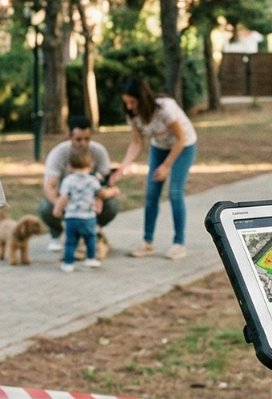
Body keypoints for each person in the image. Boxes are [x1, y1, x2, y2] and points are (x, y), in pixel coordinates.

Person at [110, 77, 197, 259]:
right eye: (126, 103)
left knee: (175, 192)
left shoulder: (165, 108)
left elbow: (180, 138)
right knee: (151, 194)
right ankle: (147, 243)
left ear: (143, 99)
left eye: (132, 102)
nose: (129, 106)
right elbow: (136, 143)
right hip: (160, 147)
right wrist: (122, 167)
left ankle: (178, 244)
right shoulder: (133, 115)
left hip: (184, 146)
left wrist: (166, 166)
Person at [39, 115, 120, 251]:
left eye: (87, 139)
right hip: (66, 198)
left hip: (91, 199)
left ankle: (93, 230)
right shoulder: (58, 153)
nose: (83, 143)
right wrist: (60, 205)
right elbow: (49, 186)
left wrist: (99, 197)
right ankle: (57, 233)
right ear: (69, 137)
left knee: (112, 205)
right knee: (45, 208)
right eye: (78, 139)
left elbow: (107, 182)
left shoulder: (98, 151)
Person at [54, 147, 102, 272]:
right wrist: (98, 205)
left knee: (70, 241)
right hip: (88, 217)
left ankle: (68, 263)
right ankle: (91, 259)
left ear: (69, 166)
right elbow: (99, 194)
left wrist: (58, 209)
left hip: (72, 217)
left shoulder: (68, 181)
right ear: (91, 165)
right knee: (91, 238)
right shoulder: (93, 180)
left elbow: (64, 197)